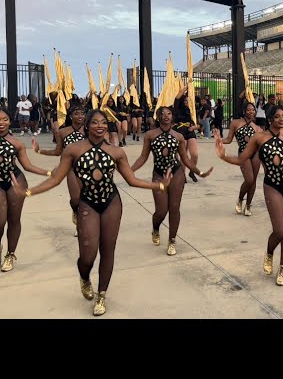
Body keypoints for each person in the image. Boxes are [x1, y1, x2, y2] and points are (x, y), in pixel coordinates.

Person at [10, 109, 172, 316]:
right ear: (87, 126)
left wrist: (158, 186)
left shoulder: (116, 152)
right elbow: (55, 179)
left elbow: (131, 180)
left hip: (112, 202)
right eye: (94, 122)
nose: (99, 126)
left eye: (103, 122)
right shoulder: (73, 150)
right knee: (87, 254)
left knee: (108, 249)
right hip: (88, 203)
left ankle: (102, 294)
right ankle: (85, 277)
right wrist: (28, 191)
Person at [214, 106, 283, 286]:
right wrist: (223, 156)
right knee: (279, 230)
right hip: (272, 186)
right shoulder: (259, 138)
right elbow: (241, 159)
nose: (281, 119)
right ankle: (269, 253)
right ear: (270, 120)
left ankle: (282, 267)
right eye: (277, 117)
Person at [131, 106, 213, 255]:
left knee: (174, 207)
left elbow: (186, 160)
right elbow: (143, 157)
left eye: (169, 113)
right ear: (158, 117)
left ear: (172, 116)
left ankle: (172, 240)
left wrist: (199, 172)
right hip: (159, 174)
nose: (166, 116)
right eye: (162, 114)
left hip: (176, 173)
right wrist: (129, 171)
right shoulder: (150, 135)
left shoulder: (179, 136)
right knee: (161, 211)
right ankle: (155, 228)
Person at [0, 108, 53, 272]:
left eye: (4, 119)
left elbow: (27, 166)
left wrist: (50, 172)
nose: (1, 123)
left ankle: (10, 254)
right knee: (0, 222)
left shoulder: (17, 143)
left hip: (16, 181)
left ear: (10, 121)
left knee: (14, 220)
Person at [33, 105, 87, 237]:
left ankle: (83, 225)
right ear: (70, 116)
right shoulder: (62, 132)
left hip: (89, 168)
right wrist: (39, 151)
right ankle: (75, 212)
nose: (80, 116)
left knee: (88, 200)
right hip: (71, 168)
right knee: (75, 199)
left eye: (82, 113)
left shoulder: (90, 130)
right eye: (76, 113)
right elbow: (57, 152)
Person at [222, 102, 262, 216]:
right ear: (244, 111)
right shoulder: (235, 123)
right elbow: (229, 139)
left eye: (253, 110)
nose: (251, 112)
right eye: (249, 110)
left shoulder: (258, 128)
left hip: (255, 155)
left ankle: (248, 205)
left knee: (253, 181)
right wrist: (219, 140)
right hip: (243, 154)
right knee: (249, 179)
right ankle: (240, 199)